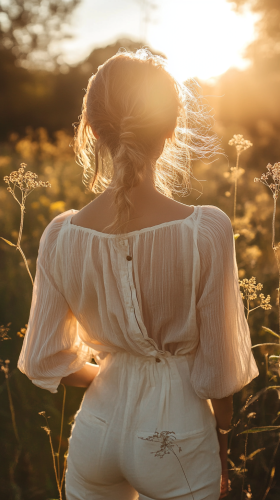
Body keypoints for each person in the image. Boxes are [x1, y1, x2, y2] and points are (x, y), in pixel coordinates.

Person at [18, 49, 259, 500]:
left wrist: (116, 376)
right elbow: (220, 370)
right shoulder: (204, 230)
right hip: (178, 439)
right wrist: (223, 442)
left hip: (95, 433)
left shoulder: (59, 235)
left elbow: (45, 359)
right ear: (170, 130)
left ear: (91, 129)